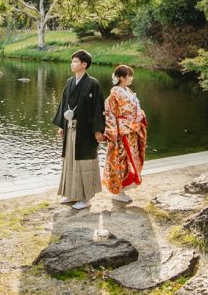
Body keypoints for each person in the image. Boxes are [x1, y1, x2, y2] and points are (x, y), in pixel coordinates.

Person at [53, 50, 105, 210]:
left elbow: (98, 108)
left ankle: (85, 197)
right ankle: (71, 193)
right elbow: (63, 104)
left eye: (75, 62)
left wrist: (98, 130)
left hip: (86, 131)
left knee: (84, 162)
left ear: (84, 64)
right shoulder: (70, 82)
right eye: (72, 61)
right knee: (69, 160)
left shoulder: (93, 84)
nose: (72, 64)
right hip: (70, 127)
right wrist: (62, 125)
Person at [102, 64, 147, 204]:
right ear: (121, 78)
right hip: (121, 134)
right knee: (121, 161)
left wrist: (139, 116)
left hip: (132, 131)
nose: (132, 78)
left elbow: (136, 109)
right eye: (130, 75)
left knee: (131, 161)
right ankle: (118, 191)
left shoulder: (128, 91)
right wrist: (113, 133)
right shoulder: (114, 95)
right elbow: (110, 115)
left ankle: (124, 188)